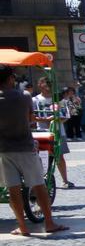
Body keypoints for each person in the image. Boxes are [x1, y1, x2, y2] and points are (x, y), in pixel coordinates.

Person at [0, 64, 67, 235]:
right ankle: (49, 223)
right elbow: (30, 119)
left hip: (4, 150)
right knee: (38, 184)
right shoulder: (24, 96)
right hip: (25, 146)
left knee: (12, 188)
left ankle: (22, 226)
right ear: (11, 78)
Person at [32, 77, 73, 188]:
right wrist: (45, 120)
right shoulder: (35, 100)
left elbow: (66, 116)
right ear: (40, 85)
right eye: (46, 84)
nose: (48, 87)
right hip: (42, 132)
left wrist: (57, 118)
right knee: (43, 156)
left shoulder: (58, 99)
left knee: (59, 156)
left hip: (58, 131)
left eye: (50, 84)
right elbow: (32, 117)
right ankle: (43, 180)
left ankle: (65, 180)